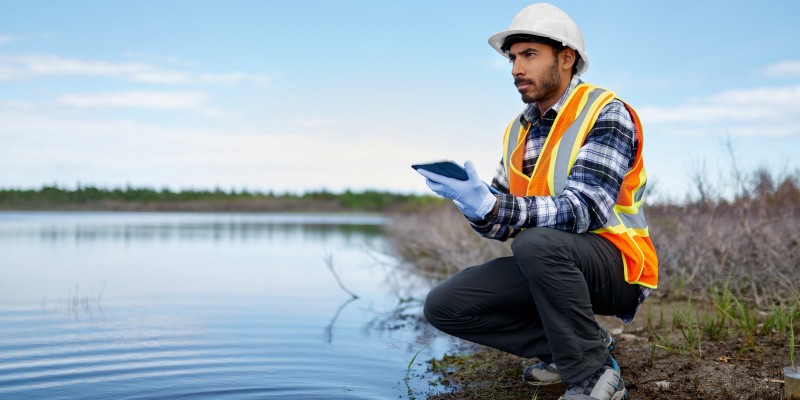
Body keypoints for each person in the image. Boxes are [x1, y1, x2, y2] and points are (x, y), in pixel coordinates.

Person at [414, 3, 658, 400]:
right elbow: (502, 225)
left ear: (566, 58)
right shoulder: (517, 131)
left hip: (618, 267)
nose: (515, 68)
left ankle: (595, 377)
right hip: (550, 263)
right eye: (513, 57)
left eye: (529, 55)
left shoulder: (606, 112)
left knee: (535, 242)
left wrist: (497, 207)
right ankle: (574, 348)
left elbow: (586, 209)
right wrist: (474, 204)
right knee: (445, 305)